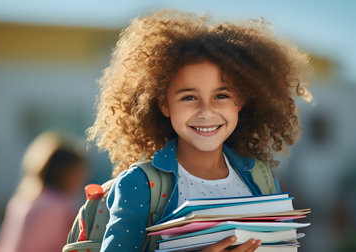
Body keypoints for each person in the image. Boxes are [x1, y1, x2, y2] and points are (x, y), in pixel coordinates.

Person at [87, 8, 312, 252]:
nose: (206, 111)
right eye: (189, 97)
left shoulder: (261, 177)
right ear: (164, 104)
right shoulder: (139, 185)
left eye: (221, 95)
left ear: (240, 101)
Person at [0, 131, 88, 252]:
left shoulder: (21, 200)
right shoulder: (63, 207)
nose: (82, 179)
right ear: (66, 173)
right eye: (78, 173)